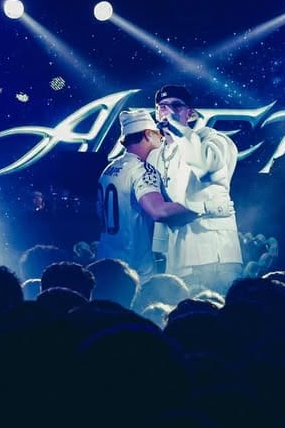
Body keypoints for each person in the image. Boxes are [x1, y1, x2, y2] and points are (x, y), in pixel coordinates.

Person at [97, 109, 232, 278]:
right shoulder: (142, 169)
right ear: (148, 134)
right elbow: (158, 211)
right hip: (133, 270)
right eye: (157, 133)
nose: (161, 138)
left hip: (105, 263)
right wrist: (206, 207)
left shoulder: (109, 170)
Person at [147, 85, 243, 294]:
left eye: (176, 106)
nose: (168, 111)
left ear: (190, 114)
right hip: (178, 258)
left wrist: (176, 127)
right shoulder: (156, 155)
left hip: (216, 256)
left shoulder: (213, 140)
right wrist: (160, 251)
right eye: (163, 106)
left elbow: (205, 168)